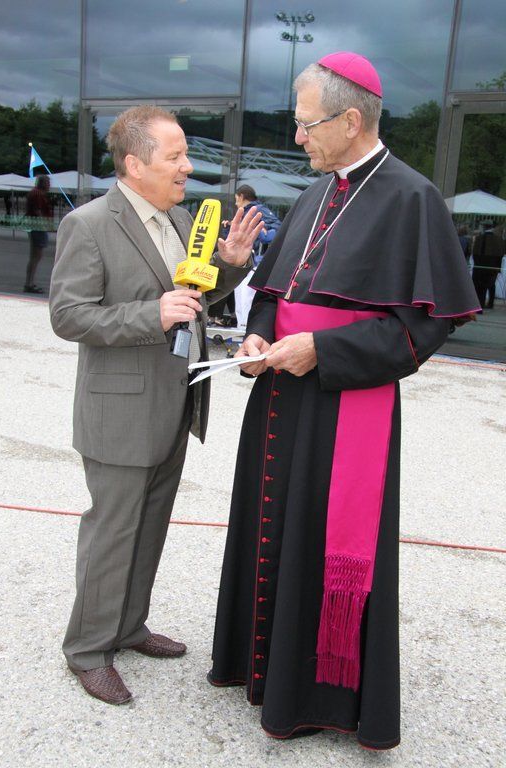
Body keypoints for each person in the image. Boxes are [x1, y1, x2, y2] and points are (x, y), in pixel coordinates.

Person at [208, 52, 479, 749]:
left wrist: (322, 351)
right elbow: (275, 292)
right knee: (270, 525)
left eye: (307, 124)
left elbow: (422, 328)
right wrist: (259, 335)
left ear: (351, 120)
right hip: (279, 398)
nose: (298, 137)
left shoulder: (412, 199)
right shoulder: (312, 194)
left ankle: (314, 697)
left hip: (343, 407)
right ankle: (260, 670)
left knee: (321, 540)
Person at [49, 105, 262, 706]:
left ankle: (128, 626)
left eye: (185, 154)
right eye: (176, 156)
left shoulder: (181, 218)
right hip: (119, 414)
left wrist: (229, 267)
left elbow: (192, 296)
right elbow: (68, 315)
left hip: (175, 401)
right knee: (112, 533)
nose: (188, 166)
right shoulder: (90, 224)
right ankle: (87, 650)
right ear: (135, 164)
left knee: (150, 526)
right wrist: (151, 314)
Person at [228, 185, 282, 327]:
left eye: (236, 199)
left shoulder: (258, 209)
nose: (235, 203)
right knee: (240, 295)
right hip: (245, 261)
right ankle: (241, 327)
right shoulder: (247, 211)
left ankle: (246, 328)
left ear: (241, 196)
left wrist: (265, 233)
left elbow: (278, 228)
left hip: (255, 262)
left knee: (247, 296)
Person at [24, 174, 53, 293]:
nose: (49, 185)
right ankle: (29, 284)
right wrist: (44, 225)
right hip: (37, 227)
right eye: (48, 182)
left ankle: (29, 283)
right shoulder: (37, 194)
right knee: (36, 256)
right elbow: (38, 211)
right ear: (43, 183)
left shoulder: (35, 193)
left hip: (35, 226)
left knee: (34, 256)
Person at [471, 220, 503, 308]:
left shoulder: (479, 238)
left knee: (480, 287)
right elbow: (500, 255)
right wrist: (498, 268)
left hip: (480, 266)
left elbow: (474, 253)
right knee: (491, 285)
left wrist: (477, 264)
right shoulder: (498, 239)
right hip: (493, 267)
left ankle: (480, 305)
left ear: (484, 227)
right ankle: (490, 303)